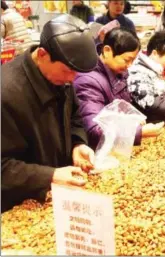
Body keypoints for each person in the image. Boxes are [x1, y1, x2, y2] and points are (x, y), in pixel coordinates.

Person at [1, 14, 98, 213]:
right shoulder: (6, 93)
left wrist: (77, 143)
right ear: (43, 54)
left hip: (57, 199)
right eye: (67, 71)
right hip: (18, 208)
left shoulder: (62, 78)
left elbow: (75, 116)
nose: (72, 79)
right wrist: (50, 175)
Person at [74, 28, 163, 150]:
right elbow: (95, 129)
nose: (130, 65)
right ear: (107, 51)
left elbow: (121, 108)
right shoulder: (88, 81)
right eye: (127, 60)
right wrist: (138, 132)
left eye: (133, 60)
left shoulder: (118, 72)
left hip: (115, 148)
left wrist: (132, 118)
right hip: (97, 153)